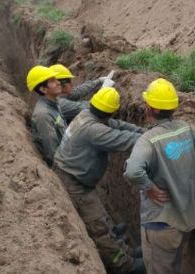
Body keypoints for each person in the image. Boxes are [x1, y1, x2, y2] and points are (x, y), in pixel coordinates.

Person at [54, 87, 146, 274]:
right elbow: (126, 139)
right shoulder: (94, 130)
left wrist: (144, 132)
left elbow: (118, 125)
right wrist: (155, 139)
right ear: (112, 110)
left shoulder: (86, 114)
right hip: (74, 183)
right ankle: (124, 265)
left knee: (102, 218)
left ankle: (124, 250)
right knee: (99, 228)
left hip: (74, 177)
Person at [124, 78, 195, 274]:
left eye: (147, 103)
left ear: (152, 109)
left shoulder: (147, 140)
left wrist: (149, 187)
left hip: (161, 224)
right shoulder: (185, 127)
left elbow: (132, 171)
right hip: (185, 219)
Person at [49, 63, 114, 124]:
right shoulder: (60, 104)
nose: (72, 84)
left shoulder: (58, 95)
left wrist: (98, 81)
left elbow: (77, 92)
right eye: (69, 81)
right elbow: (88, 107)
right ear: (60, 84)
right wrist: (103, 89)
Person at [26, 65, 65, 166]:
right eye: (52, 81)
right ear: (43, 89)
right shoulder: (44, 115)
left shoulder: (54, 103)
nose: (58, 82)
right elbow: (53, 153)